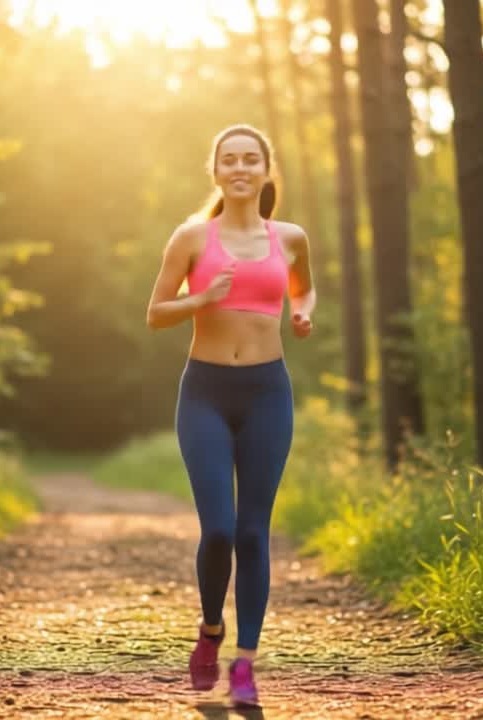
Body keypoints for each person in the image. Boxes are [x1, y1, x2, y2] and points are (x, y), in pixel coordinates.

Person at [145, 124, 316, 707]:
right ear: (215, 172)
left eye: (251, 159)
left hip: (268, 393)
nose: (240, 168)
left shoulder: (290, 238)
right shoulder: (192, 238)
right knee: (218, 529)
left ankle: (245, 662)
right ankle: (210, 630)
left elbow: (305, 290)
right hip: (206, 394)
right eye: (229, 160)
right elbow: (156, 313)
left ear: (267, 171)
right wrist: (200, 299)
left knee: (253, 530)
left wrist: (301, 315)